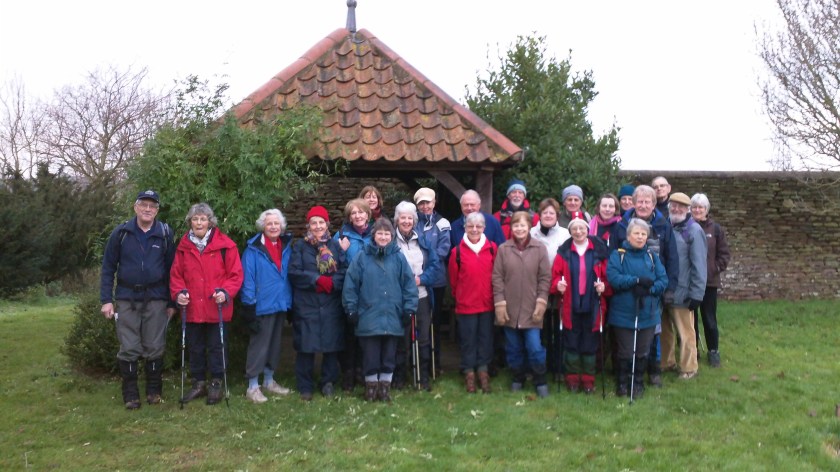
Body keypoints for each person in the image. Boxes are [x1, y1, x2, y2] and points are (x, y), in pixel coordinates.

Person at [100, 189, 176, 410]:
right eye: (144, 205)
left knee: (155, 346)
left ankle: (154, 391)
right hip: (126, 298)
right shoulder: (121, 233)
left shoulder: (165, 233)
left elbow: (173, 270)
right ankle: (131, 394)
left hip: (157, 298)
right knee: (129, 346)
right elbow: (107, 268)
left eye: (152, 206)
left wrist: (172, 302)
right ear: (135, 207)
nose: (147, 209)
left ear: (157, 210)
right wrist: (106, 299)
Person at [170, 203, 244, 405]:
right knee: (195, 347)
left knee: (217, 346)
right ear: (190, 222)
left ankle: (216, 384)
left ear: (210, 222)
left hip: (216, 307)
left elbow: (236, 275)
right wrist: (179, 293)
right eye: (195, 219)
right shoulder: (183, 247)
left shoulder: (226, 245)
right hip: (193, 308)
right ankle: (199, 383)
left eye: (203, 219)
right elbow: (176, 275)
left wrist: (226, 291)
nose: (199, 222)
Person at [343, 218, 419, 402]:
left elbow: (409, 285)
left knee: (389, 354)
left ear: (391, 236)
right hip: (368, 315)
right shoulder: (361, 257)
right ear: (373, 235)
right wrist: (351, 309)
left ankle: (385, 387)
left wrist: (409, 309)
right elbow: (350, 285)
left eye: (387, 234)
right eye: (380, 233)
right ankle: (371, 388)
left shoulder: (399, 257)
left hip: (392, 314)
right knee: (370, 354)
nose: (383, 237)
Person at [616, 184, 679, 387]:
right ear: (633, 203)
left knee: (653, 331)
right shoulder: (621, 225)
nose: (643, 205)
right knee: (628, 332)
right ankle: (628, 375)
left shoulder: (663, 225)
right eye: (640, 201)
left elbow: (672, 258)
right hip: (628, 290)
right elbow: (615, 257)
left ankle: (654, 371)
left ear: (654, 204)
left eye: (648, 202)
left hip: (654, 289)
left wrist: (669, 287)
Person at [289, 206, 347, 401]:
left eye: (321, 222)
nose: (318, 226)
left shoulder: (335, 246)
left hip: (331, 303)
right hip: (307, 304)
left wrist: (332, 282)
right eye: (314, 223)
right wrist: (316, 280)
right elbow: (294, 273)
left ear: (327, 224)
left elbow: (344, 270)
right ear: (308, 226)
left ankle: (328, 382)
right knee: (306, 346)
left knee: (331, 345)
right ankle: (305, 386)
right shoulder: (300, 247)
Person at [606, 218, 668, 398]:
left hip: (647, 311)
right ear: (628, 236)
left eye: (643, 234)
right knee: (625, 350)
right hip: (623, 312)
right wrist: (635, 281)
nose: (640, 237)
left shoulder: (652, 256)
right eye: (636, 233)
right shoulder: (618, 255)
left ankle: (638, 382)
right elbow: (614, 278)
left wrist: (650, 289)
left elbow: (663, 279)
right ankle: (622, 382)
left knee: (642, 350)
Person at [492, 211, 552, 397]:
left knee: (534, 347)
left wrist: (541, 302)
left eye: (523, 225)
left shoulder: (539, 248)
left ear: (529, 227)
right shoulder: (503, 249)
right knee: (513, 348)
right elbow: (497, 278)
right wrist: (500, 303)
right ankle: (518, 377)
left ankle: (540, 379)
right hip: (509, 307)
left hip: (532, 308)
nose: (519, 229)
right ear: (511, 228)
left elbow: (545, 278)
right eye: (516, 225)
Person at [239, 209, 293, 404]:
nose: (273, 227)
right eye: (269, 223)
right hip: (261, 305)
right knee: (258, 347)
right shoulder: (253, 249)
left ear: (281, 226)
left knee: (274, 345)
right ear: (263, 226)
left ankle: (269, 380)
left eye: (276, 223)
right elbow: (248, 280)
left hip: (280, 304)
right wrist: (248, 306)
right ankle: (253, 386)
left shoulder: (286, 246)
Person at [550, 216, 610, 394]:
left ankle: (588, 380)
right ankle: (572, 379)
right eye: (574, 229)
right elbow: (555, 277)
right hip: (570, 305)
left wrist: (604, 286)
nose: (578, 232)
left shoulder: (599, 251)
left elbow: (608, 278)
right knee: (572, 343)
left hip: (593, 305)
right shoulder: (564, 252)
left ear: (587, 230)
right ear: (570, 232)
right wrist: (557, 286)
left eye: (582, 228)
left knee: (589, 344)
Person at [392, 201, 442, 391]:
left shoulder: (423, 241)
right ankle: (400, 375)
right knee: (401, 338)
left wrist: (421, 279)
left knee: (423, 339)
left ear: (414, 221)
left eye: (409, 218)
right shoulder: (391, 242)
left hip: (421, 296)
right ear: (397, 220)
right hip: (399, 298)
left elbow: (435, 265)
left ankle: (423, 375)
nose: (406, 221)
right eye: (402, 217)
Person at [448, 212, 497, 393]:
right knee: (468, 341)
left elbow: (497, 276)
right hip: (466, 305)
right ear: (465, 228)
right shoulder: (457, 252)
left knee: (485, 339)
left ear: (484, 228)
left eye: (478, 226)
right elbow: (454, 280)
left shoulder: (492, 248)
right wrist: (461, 297)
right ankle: (469, 373)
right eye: (470, 226)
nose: (474, 229)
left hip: (487, 304)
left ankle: (483, 372)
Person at [661, 192, 707, 380]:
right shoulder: (666, 226)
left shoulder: (693, 230)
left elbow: (699, 264)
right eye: (674, 205)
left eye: (681, 206)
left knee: (686, 332)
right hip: (665, 289)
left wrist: (697, 294)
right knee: (665, 330)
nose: (676, 209)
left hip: (684, 291)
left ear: (688, 209)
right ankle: (666, 362)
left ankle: (689, 368)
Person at [529, 197, 570, 379]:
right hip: (536, 287)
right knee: (540, 328)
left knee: (558, 330)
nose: (548, 215)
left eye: (551, 213)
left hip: (559, 286)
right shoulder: (531, 233)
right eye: (545, 212)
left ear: (557, 215)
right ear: (539, 214)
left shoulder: (564, 234)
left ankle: (558, 367)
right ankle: (540, 366)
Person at [334, 198, 373, 392]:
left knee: (366, 334)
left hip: (370, 292)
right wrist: (341, 252)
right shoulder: (340, 235)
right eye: (353, 213)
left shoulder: (375, 234)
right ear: (349, 217)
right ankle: (348, 373)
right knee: (348, 333)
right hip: (348, 292)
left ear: (368, 214)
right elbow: (331, 265)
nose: (357, 216)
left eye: (361, 212)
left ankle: (362, 371)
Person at [413, 187, 451, 376]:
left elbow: (444, 249)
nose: (425, 206)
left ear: (434, 203)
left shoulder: (442, 223)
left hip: (435, 280)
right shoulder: (412, 223)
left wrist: (427, 262)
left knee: (433, 322)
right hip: (417, 280)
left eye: (428, 202)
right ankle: (418, 361)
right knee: (419, 322)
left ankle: (435, 363)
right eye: (421, 203)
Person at [690, 193, 731, 368]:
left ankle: (713, 351)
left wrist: (712, 270)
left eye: (701, 207)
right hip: (690, 282)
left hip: (709, 283)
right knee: (690, 319)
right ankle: (693, 351)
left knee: (709, 318)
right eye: (694, 207)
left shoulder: (715, 230)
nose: (697, 210)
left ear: (706, 210)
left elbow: (724, 255)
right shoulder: (687, 227)